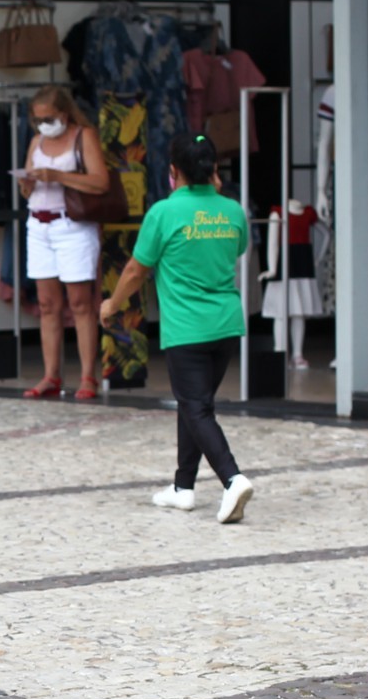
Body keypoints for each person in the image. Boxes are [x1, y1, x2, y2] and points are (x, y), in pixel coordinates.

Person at [100, 132, 256, 524]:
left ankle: (232, 479)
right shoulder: (233, 211)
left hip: (187, 329)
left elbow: (136, 269)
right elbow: (238, 249)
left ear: (173, 172)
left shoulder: (164, 213)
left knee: (196, 407)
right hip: (226, 326)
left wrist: (112, 304)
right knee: (196, 404)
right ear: (213, 171)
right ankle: (183, 488)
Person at [14, 86, 109, 400]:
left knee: (81, 303)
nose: (43, 124)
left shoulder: (84, 136)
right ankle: (50, 374)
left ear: (64, 114)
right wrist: (27, 183)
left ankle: (87, 376)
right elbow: (27, 189)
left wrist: (58, 176)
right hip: (39, 224)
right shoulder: (36, 142)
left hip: (73, 225)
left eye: (49, 118)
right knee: (47, 305)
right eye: (38, 119)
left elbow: (100, 181)